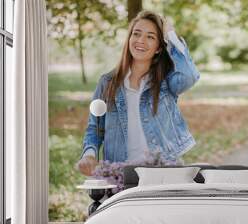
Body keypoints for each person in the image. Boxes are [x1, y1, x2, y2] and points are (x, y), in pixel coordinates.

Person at [76, 10, 200, 176]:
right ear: (129, 40)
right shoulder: (107, 83)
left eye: (150, 37)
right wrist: (89, 155)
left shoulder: (166, 82)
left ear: (158, 48)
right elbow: (95, 128)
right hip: (120, 174)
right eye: (136, 34)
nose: (141, 40)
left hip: (162, 172)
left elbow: (190, 76)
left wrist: (170, 35)